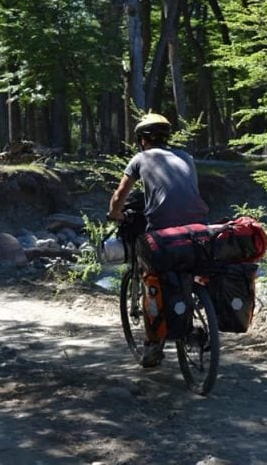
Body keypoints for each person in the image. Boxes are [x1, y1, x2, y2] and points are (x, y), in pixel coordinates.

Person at [107, 112, 209, 367]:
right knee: (189, 271)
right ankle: (197, 320)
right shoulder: (186, 157)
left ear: (142, 140)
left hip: (162, 230)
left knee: (149, 275)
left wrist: (114, 213)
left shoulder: (140, 158)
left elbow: (121, 193)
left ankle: (153, 345)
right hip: (199, 228)